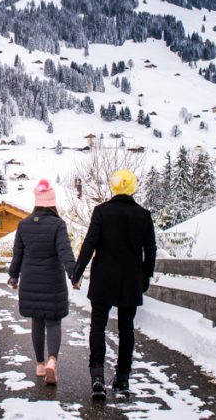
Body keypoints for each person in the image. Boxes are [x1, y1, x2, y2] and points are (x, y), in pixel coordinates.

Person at [71, 169, 156, 400]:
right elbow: (151, 251)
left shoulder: (101, 212)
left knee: (98, 325)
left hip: (103, 280)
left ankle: (97, 377)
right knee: (126, 329)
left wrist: (77, 273)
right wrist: (145, 278)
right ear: (133, 188)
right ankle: (122, 379)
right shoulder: (144, 215)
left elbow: (89, 244)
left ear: (114, 187)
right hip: (130, 280)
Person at [7, 179, 76, 386]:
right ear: (52, 203)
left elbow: (17, 254)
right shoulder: (58, 225)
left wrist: (14, 276)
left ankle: (39, 365)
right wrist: (74, 275)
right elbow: (65, 252)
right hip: (52, 282)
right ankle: (52, 361)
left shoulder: (24, 225)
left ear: (37, 202)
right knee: (53, 321)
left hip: (30, 280)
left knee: (37, 321)